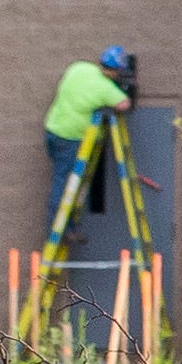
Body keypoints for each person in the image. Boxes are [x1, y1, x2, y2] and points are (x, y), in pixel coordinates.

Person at [43, 46, 135, 236]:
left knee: (64, 178)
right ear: (116, 71)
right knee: (65, 182)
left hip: (52, 130)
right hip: (71, 138)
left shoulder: (78, 68)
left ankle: (67, 225)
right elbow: (124, 104)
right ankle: (60, 228)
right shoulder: (106, 89)